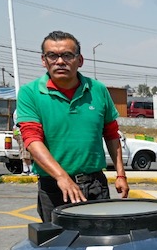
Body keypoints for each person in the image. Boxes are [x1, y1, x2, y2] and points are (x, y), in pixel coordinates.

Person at [16, 30, 129, 222]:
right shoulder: (30, 93)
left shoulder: (98, 90)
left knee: (100, 244)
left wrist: (121, 174)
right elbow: (32, 140)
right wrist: (61, 177)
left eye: (67, 55)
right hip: (54, 187)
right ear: (44, 60)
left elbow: (111, 134)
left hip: (95, 184)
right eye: (52, 55)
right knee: (59, 247)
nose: (60, 61)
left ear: (80, 60)